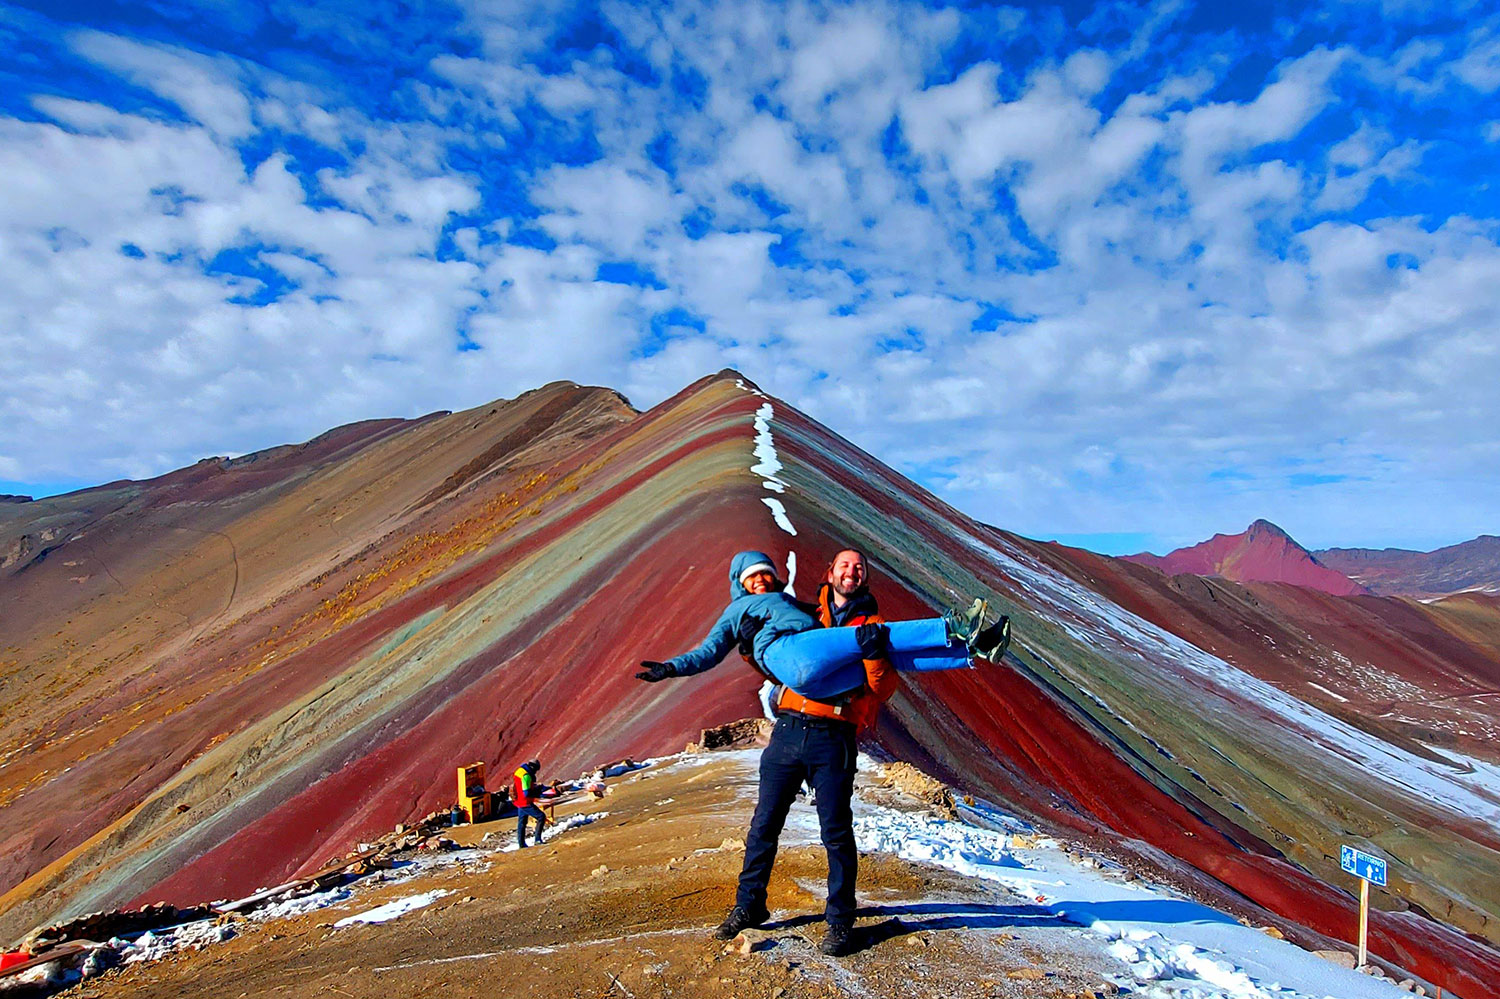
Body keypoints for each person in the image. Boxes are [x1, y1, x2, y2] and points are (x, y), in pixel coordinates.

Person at [636, 549, 1010, 957]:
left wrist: (871, 658)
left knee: (835, 830)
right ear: (829, 573)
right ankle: (749, 905)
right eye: (844, 565)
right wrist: (676, 667)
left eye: (859, 568)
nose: (852, 572)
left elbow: (884, 689)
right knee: (764, 823)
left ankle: (839, 922)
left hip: (834, 733)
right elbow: (727, 651)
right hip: (790, 729)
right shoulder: (807, 615)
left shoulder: (865, 622)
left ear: (864, 578)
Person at [513, 758, 547, 848]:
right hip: (525, 802)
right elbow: (526, 792)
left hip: (519, 801)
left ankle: (521, 844)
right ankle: (537, 840)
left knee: (522, 823)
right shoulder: (526, 776)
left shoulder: (519, 771)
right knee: (541, 817)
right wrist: (537, 791)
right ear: (533, 767)